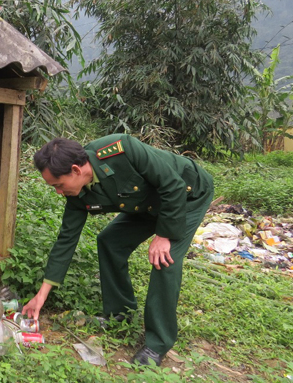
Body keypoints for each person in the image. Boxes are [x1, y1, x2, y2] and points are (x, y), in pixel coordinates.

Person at [22, 134, 214, 366]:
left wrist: (164, 235)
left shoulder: (122, 149)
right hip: (148, 204)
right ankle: (119, 313)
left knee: (164, 258)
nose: (58, 192)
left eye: (58, 185)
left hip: (186, 194)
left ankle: (157, 344)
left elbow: (173, 185)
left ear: (75, 170)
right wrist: (41, 296)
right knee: (110, 241)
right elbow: (66, 240)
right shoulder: (77, 193)